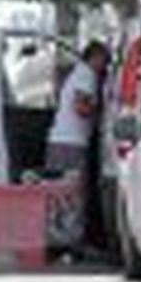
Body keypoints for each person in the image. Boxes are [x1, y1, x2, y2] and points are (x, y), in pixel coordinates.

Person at [46, 40, 111, 249]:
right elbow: (80, 107)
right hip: (71, 144)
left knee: (60, 194)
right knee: (72, 194)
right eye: (104, 59)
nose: (105, 64)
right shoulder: (86, 75)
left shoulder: (77, 73)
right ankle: (69, 241)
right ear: (95, 57)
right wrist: (101, 109)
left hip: (61, 140)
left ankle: (58, 239)